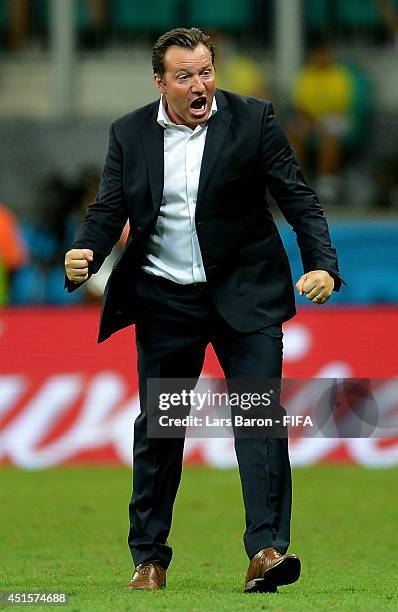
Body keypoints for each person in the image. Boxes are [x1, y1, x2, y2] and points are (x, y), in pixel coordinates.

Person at [64, 28, 344, 593]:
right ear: (160, 82)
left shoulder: (254, 120)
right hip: (167, 301)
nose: (200, 85)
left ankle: (265, 550)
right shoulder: (130, 133)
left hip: (246, 295)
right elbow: (110, 206)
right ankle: (149, 558)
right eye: (185, 76)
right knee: (160, 430)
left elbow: (299, 198)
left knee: (258, 418)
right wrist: (86, 250)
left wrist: (323, 265)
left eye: (206, 72)